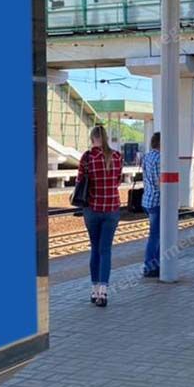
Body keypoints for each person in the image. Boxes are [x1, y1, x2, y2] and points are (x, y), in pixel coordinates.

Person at [78, 124, 123, 306]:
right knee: (106, 250)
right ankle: (103, 293)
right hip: (112, 209)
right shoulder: (117, 156)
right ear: (106, 138)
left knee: (95, 249)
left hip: (92, 209)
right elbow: (118, 181)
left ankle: (94, 290)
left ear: (92, 138)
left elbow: (80, 181)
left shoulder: (87, 157)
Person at [141, 132, 161, 278]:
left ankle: (156, 263)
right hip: (158, 201)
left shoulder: (146, 157)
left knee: (156, 234)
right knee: (156, 235)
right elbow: (161, 182)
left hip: (147, 200)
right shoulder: (160, 158)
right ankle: (150, 265)